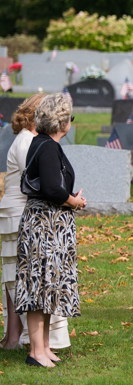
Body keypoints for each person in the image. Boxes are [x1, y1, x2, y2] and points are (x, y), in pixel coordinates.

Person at [15, 93, 85, 368]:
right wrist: (74, 201)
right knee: (38, 287)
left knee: (47, 287)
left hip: (52, 224)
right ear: (63, 121)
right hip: (43, 225)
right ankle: (36, 351)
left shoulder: (44, 144)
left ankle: (44, 347)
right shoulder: (45, 146)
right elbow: (51, 189)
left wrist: (70, 198)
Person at [2, 95, 72, 351]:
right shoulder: (29, 142)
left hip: (22, 211)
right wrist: (71, 200)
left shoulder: (32, 140)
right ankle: (32, 344)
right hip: (21, 212)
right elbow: (38, 183)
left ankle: (17, 339)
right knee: (26, 280)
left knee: (18, 278)